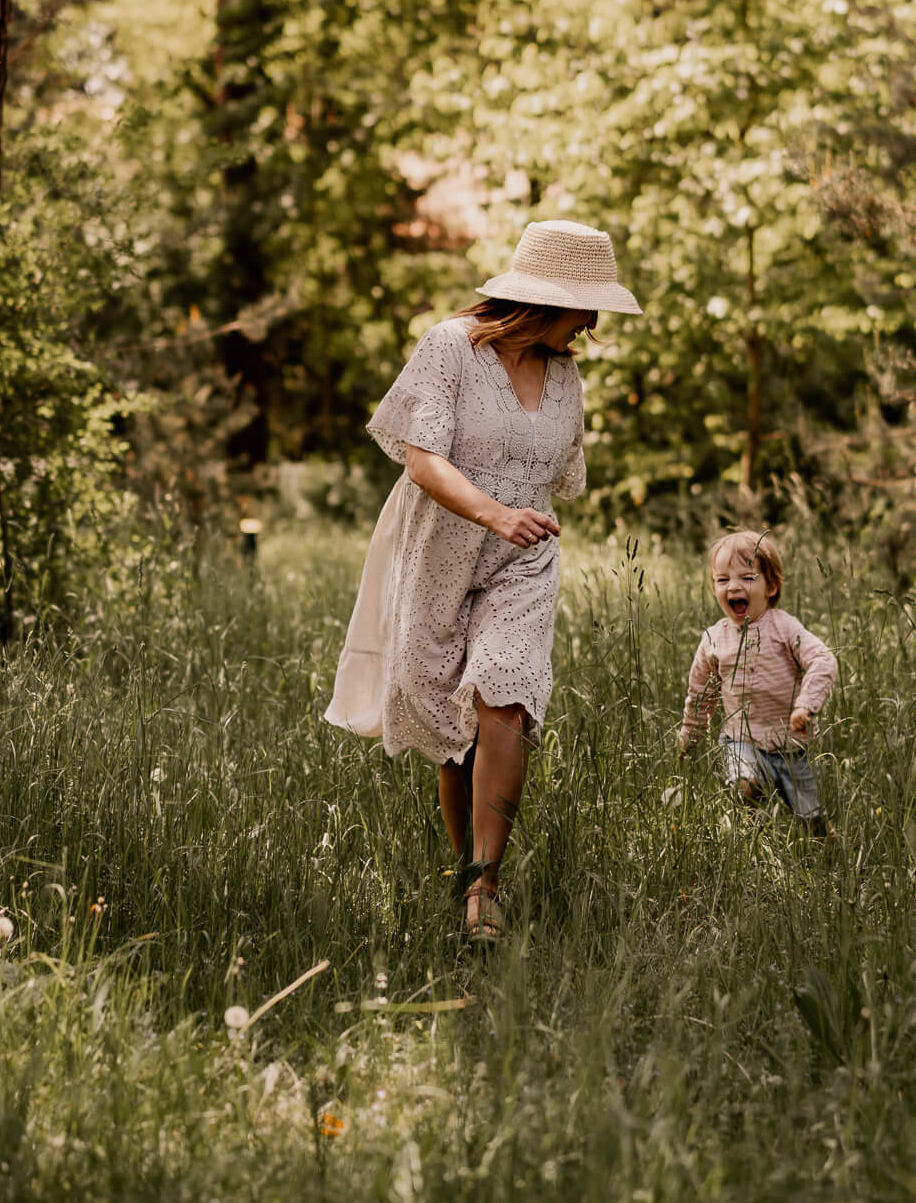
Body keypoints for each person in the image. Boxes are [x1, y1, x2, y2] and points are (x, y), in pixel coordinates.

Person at [325, 220, 643, 943]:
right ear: (541, 301)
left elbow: (556, 479)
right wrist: (494, 513)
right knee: (454, 731)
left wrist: (512, 523)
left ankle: (485, 892)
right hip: (440, 545)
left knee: (506, 694)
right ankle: (468, 872)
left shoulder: (566, 375)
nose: (591, 324)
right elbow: (421, 460)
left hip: (523, 558)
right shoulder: (450, 348)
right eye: (582, 307)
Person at [676, 530, 838, 833]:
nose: (733, 586)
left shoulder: (785, 628)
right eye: (722, 580)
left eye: (747, 578)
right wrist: (690, 734)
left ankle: (828, 850)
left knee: (810, 819)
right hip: (741, 739)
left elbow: (823, 660)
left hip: (790, 746)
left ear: (771, 586)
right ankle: (754, 835)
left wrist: (806, 706)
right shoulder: (714, 639)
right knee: (744, 785)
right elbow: (700, 694)